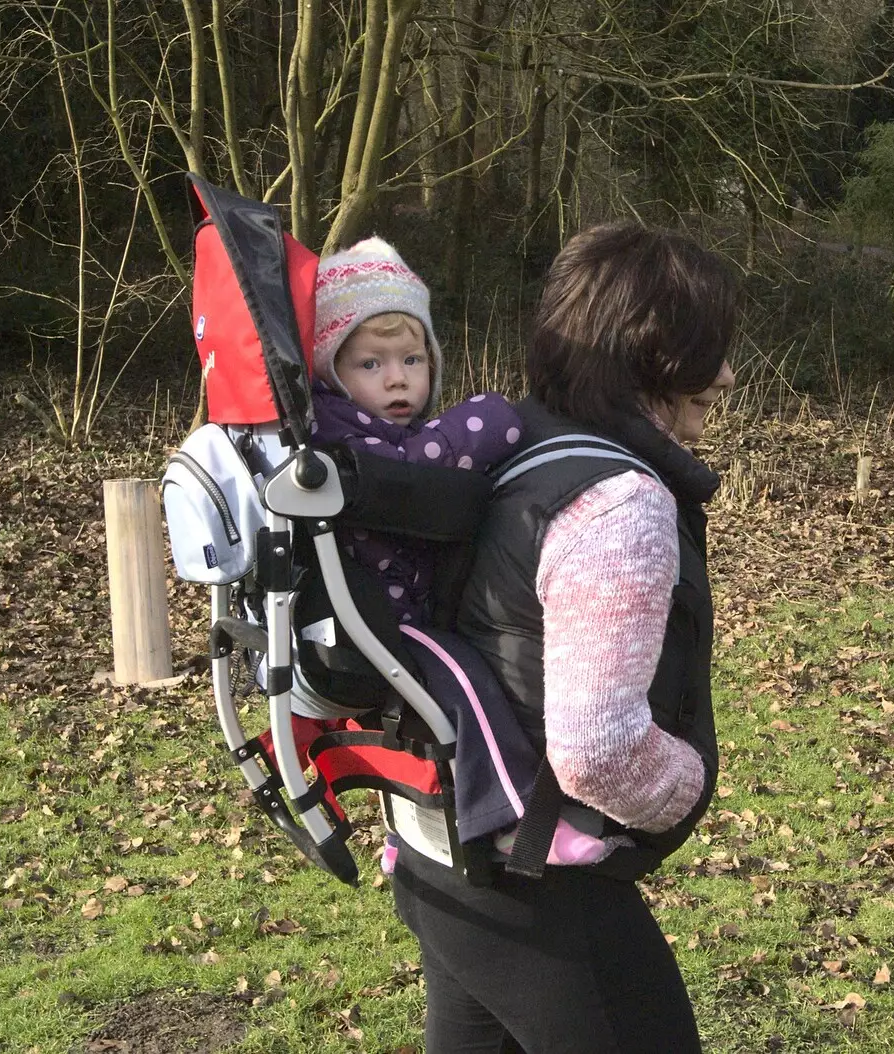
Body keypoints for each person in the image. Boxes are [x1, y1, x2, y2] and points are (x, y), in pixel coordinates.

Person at [392, 222, 738, 1053]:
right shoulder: (618, 503)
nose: (727, 376)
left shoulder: (518, 448)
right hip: (540, 890)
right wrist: (687, 786)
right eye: (711, 352)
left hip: (442, 849)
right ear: (654, 352)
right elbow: (594, 750)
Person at [307, 236, 521, 625]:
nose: (397, 379)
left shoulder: (387, 426)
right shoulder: (335, 434)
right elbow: (409, 472)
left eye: (412, 359)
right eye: (370, 364)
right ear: (330, 371)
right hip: (378, 636)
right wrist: (497, 413)